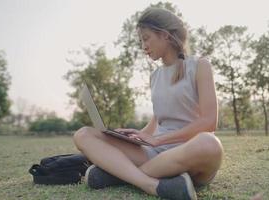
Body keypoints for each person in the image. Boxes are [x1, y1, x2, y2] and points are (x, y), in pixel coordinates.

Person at [73, 7, 223, 200]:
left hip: (190, 152)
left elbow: (209, 122)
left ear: (165, 35)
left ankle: (119, 175)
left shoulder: (200, 66)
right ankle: (152, 185)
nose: (143, 45)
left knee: (210, 143)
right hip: (155, 154)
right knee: (83, 134)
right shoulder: (155, 76)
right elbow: (158, 120)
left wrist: (159, 140)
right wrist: (137, 135)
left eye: (146, 38)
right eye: (141, 40)